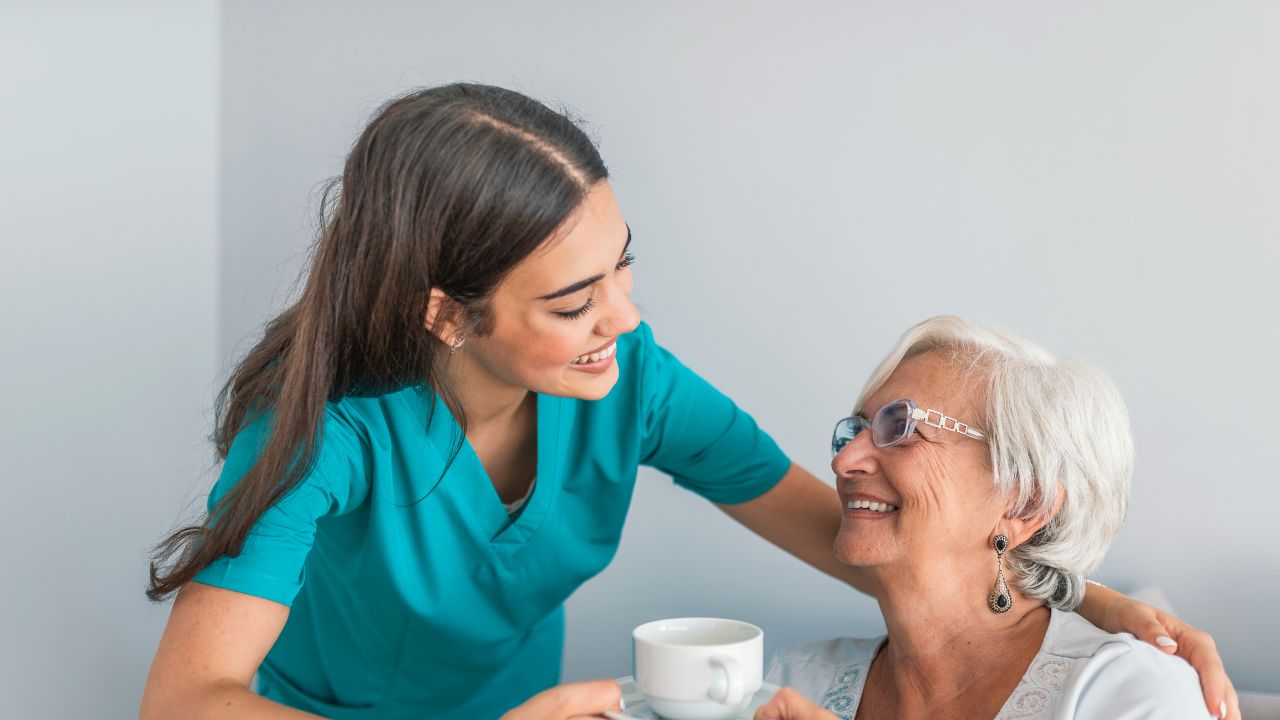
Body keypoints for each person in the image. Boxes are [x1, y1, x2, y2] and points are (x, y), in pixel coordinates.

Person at [138, 85, 1232, 720]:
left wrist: (1086, 604)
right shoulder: (324, 429)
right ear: (447, 314)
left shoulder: (628, 381)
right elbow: (185, 703)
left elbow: (850, 521)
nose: (623, 315)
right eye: (574, 301)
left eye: (622, 265)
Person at [755, 316, 1239, 720]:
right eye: (855, 430)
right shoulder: (795, 681)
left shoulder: (1129, 692)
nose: (843, 463)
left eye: (900, 427)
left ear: (1025, 503)